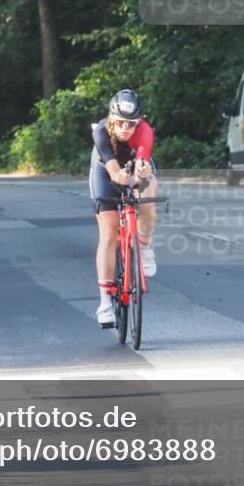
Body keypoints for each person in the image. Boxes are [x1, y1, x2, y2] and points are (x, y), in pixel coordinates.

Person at [89, 89, 159, 328]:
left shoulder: (145, 132)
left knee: (149, 197)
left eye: (131, 124)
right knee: (108, 233)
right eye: (120, 122)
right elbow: (113, 171)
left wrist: (142, 175)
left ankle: (145, 246)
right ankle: (105, 302)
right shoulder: (100, 132)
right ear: (111, 118)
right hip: (106, 169)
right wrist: (120, 177)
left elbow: (141, 162)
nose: (125, 128)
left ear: (138, 122)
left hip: (135, 165)